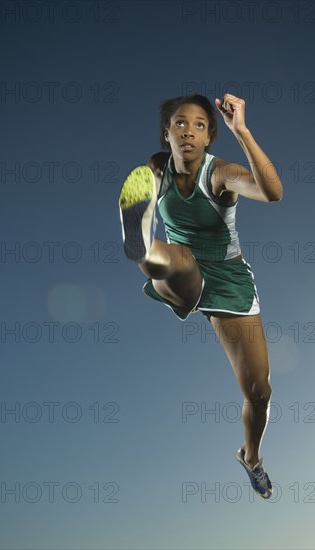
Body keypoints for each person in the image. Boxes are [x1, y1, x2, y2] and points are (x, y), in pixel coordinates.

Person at [118, 93, 283, 499]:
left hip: (229, 280)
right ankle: (141, 246)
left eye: (197, 125)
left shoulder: (221, 175)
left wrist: (241, 131)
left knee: (259, 391)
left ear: (209, 136)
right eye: (178, 124)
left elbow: (272, 191)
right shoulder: (156, 168)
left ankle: (252, 457)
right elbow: (154, 179)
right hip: (183, 268)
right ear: (166, 134)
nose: (187, 131)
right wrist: (146, 207)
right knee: (178, 261)